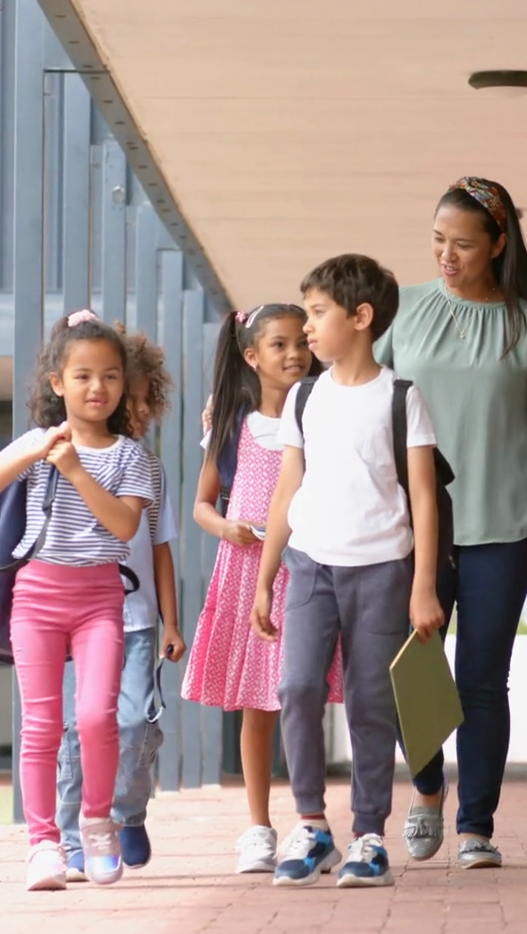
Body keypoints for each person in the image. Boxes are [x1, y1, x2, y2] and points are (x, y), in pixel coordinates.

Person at [378, 176, 527, 870]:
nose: (447, 255)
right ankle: (425, 787)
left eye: (464, 244)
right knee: (411, 669)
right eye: (438, 240)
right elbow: (360, 394)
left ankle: (476, 824)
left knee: (480, 677)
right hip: (416, 526)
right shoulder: (403, 311)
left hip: (504, 523)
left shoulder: (525, 326)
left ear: (498, 245)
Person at [255, 254, 446, 890]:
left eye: (317, 313)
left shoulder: (401, 398)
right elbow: (287, 488)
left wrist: (423, 586)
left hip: (383, 571)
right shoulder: (304, 397)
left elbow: (423, 496)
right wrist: (266, 577)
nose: (306, 327)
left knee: (371, 702)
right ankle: (312, 827)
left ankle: (368, 835)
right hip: (310, 566)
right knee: (297, 688)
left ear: (360, 317)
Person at [0, 310, 157, 891]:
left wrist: (74, 470)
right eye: (83, 376)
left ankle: (96, 825)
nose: (98, 388)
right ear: (57, 382)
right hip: (37, 597)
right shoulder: (39, 442)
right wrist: (33, 454)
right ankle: (43, 844)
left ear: (124, 383)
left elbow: (124, 525)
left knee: (97, 717)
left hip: (100, 598)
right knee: (42, 725)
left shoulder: (130, 455)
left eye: (111, 376)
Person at [183, 302, 342, 875]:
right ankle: (257, 827)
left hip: (312, 569)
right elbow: (202, 504)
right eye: (279, 344)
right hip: (246, 573)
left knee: (303, 699)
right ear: (251, 356)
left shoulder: (326, 416)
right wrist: (226, 527)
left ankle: (311, 823)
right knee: (258, 707)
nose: (294, 353)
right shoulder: (232, 424)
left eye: (301, 341)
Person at [55, 328, 186, 880]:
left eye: (139, 396)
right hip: (72, 617)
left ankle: (128, 810)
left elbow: (159, 548)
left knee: (133, 723)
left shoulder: (145, 467)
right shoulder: (58, 455)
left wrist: (171, 621)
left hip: (134, 622)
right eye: (130, 397)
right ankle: (72, 838)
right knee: (74, 730)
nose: (135, 408)